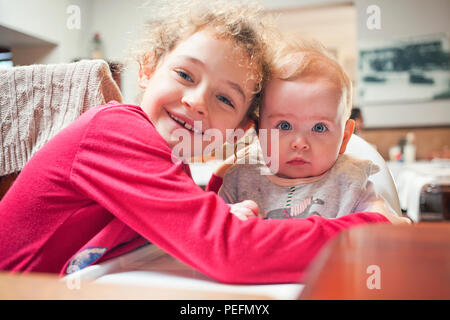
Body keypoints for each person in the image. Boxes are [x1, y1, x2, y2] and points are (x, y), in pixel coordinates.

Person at [0, 1, 407, 284]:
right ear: (146, 69)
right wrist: (370, 227)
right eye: (185, 75)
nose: (196, 102)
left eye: (225, 99)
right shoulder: (114, 131)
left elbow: (185, 222)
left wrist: (224, 214)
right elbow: (230, 253)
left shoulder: (165, 162)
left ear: (240, 130)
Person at [218, 40, 399, 221]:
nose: (300, 143)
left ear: (344, 137)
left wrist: (383, 217)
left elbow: (380, 222)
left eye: (319, 128)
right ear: (259, 132)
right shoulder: (239, 180)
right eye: (284, 125)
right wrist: (229, 214)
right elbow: (212, 226)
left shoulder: (350, 182)